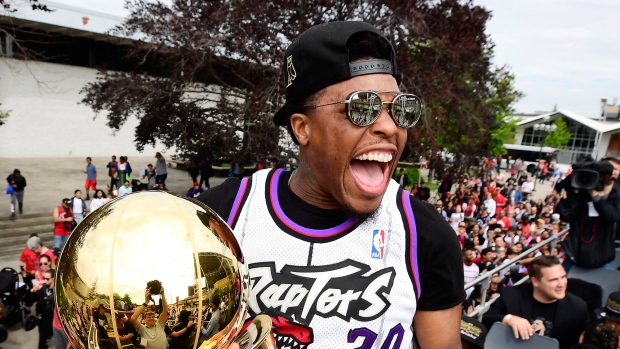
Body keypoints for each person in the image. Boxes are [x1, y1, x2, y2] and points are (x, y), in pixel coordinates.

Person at [198, 21, 464, 348]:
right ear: (302, 128)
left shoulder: (425, 235)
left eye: (400, 109)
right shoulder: (221, 216)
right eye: (361, 107)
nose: (388, 126)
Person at [482, 255, 589, 348]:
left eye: (563, 277)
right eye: (553, 280)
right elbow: (485, 319)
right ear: (535, 281)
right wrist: (508, 318)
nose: (561, 284)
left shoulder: (577, 308)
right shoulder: (511, 295)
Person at [31, 269, 56, 349]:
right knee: (41, 330)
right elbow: (37, 297)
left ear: (53, 279)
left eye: (47, 279)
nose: (45, 280)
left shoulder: (56, 290)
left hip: (51, 315)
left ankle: (43, 344)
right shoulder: (45, 286)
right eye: (44, 278)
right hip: (42, 313)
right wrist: (34, 291)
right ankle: (43, 345)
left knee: (45, 332)